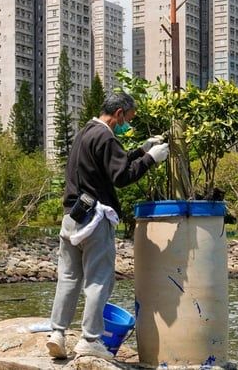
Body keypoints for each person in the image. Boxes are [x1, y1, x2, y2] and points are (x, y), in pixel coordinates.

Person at [45, 90, 169, 360]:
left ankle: (57, 333)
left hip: (71, 217)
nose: (128, 124)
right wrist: (151, 159)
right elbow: (121, 177)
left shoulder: (85, 133)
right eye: (129, 118)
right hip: (95, 219)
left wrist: (141, 150)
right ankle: (90, 339)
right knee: (99, 280)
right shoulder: (107, 136)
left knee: (67, 278)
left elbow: (109, 164)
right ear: (119, 114)